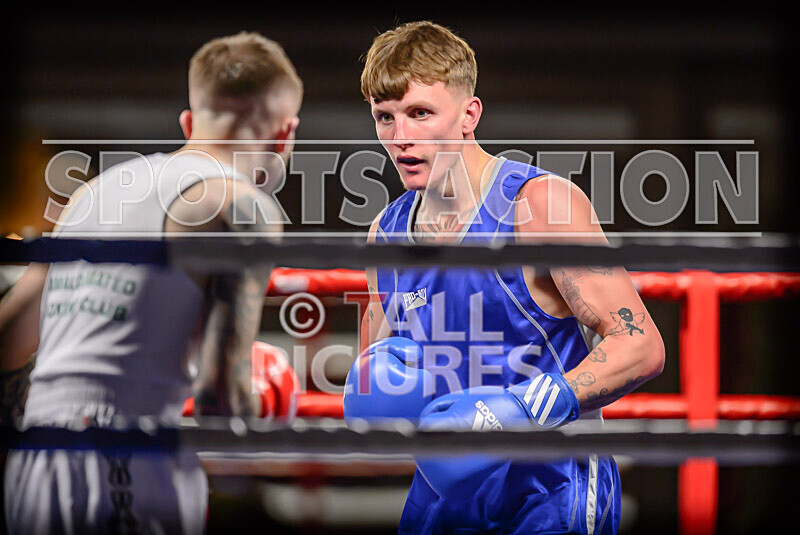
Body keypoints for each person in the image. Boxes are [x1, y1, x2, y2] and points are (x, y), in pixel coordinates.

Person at [345, 21, 665, 534]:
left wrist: (521, 407)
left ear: (469, 114)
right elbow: (386, 371)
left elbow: (640, 345)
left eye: (420, 113)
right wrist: (375, 384)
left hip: (550, 486)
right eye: (385, 118)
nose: (400, 137)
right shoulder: (386, 233)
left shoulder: (538, 207)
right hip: (445, 490)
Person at [0, 31, 302, 534]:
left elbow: (9, 342)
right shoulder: (242, 206)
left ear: (189, 122)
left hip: (33, 462)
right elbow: (218, 402)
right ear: (284, 134)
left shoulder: (92, 194)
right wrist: (269, 407)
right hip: (127, 458)